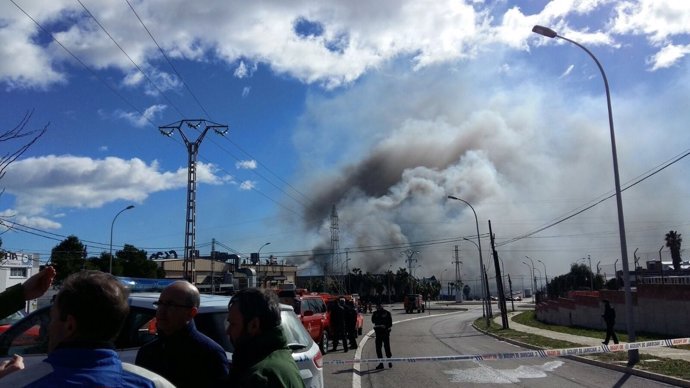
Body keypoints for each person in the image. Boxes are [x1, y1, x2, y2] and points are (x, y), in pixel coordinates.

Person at [0, 270, 174, 386]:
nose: (48, 327)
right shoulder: (153, 383)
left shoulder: (17, 383)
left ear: (69, 325)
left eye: (52, 318)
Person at [136, 281, 229, 388]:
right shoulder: (147, 352)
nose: (161, 311)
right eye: (160, 303)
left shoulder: (209, 354)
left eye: (170, 305)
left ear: (191, 313)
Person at [225, 288, 304, 388]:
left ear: (254, 325)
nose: (227, 331)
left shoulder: (259, 378)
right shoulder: (282, 358)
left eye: (233, 324)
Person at [371, 302, 393, 370]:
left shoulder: (387, 313)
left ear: (382, 306)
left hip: (385, 332)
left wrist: (385, 326)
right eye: (377, 306)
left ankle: (389, 361)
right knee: (378, 348)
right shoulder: (375, 313)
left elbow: (390, 323)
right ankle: (381, 363)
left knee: (387, 347)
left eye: (379, 306)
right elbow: (373, 321)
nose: (378, 307)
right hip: (378, 333)